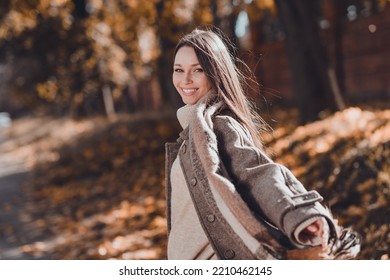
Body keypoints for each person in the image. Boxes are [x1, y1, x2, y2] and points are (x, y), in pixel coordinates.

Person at [165, 27, 359, 260]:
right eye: (179, 70)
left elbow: (258, 174)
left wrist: (299, 214)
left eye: (197, 70)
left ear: (215, 73)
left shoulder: (218, 126)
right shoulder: (193, 131)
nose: (185, 79)